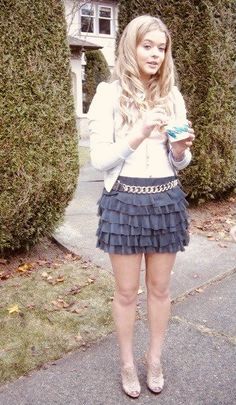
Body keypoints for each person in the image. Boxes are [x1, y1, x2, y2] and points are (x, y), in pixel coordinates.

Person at [88, 15, 195, 399]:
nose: (155, 54)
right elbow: (99, 160)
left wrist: (180, 151)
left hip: (166, 199)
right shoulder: (107, 94)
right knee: (126, 292)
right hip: (124, 203)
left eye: (161, 47)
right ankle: (128, 362)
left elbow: (179, 161)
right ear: (132, 47)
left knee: (161, 290)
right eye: (147, 45)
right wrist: (138, 132)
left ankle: (154, 358)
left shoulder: (173, 96)